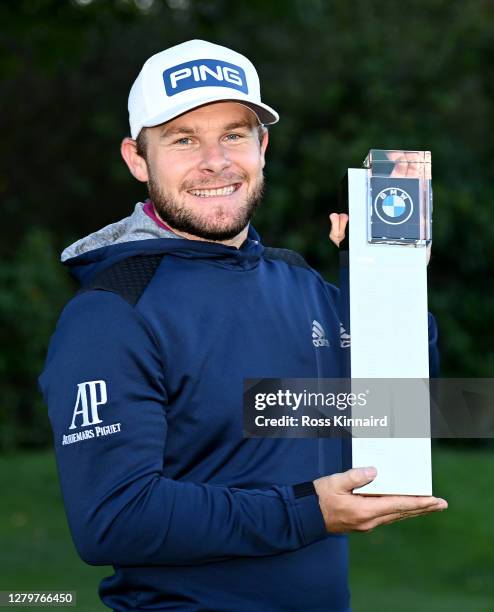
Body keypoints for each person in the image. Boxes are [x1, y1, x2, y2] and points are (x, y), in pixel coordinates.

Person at [39, 40, 447, 612]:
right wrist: (308, 512)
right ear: (137, 159)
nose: (215, 161)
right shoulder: (110, 312)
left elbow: (397, 412)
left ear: (263, 146)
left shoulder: (298, 283)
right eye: (183, 139)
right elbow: (114, 518)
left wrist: (390, 290)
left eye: (234, 133)